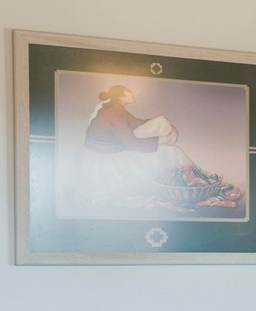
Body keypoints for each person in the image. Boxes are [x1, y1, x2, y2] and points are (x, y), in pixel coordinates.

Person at [77, 84, 241, 215]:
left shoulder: (117, 109)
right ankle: (191, 182)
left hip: (118, 148)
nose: (132, 93)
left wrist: (162, 125)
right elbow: (131, 144)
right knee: (171, 152)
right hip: (107, 157)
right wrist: (162, 140)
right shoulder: (113, 113)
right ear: (121, 97)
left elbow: (136, 123)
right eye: (128, 92)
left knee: (170, 145)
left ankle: (194, 180)